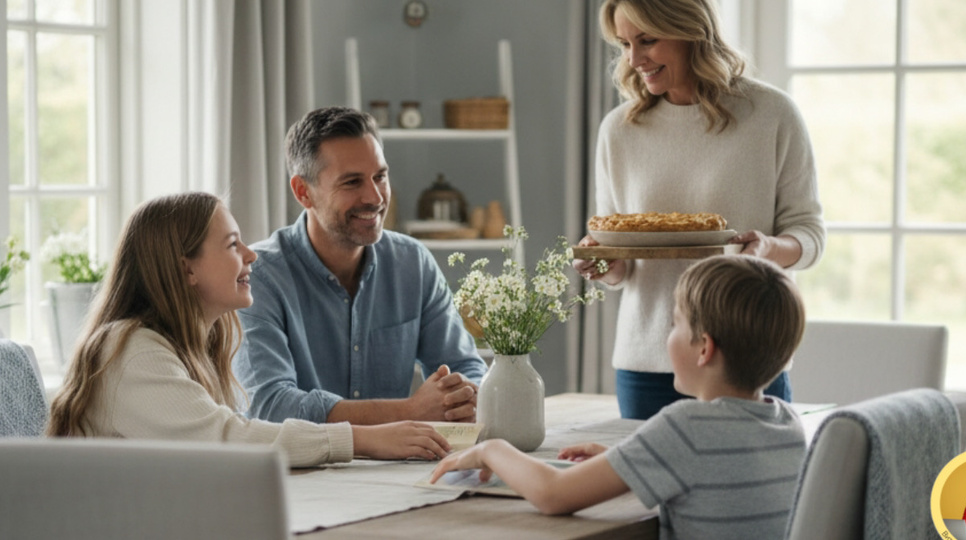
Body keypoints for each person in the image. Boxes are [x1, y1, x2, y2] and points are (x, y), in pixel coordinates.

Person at [47, 193, 452, 467]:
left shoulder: (198, 345)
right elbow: (227, 441)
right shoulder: (131, 351)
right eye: (232, 245)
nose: (251, 254)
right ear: (186, 267)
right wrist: (364, 439)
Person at [431, 255, 807, 539]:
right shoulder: (786, 421)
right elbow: (713, 465)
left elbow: (553, 494)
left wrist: (491, 449)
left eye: (675, 323)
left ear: (704, 348)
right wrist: (626, 457)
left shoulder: (687, 426)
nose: (667, 334)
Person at [572, 0, 825, 419]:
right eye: (625, 44)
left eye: (648, 40)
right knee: (641, 488)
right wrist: (604, 265)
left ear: (691, 31)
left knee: (752, 484)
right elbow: (619, 260)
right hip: (647, 363)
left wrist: (766, 251)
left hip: (747, 361)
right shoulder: (618, 131)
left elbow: (810, 235)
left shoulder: (773, 115)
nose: (635, 59)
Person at [233, 107, 486, 428]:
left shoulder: (413, 263)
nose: (375, 196)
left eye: (380, 176)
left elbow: (464, 366)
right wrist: (408, 411)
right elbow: (269, 406)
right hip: (302, 474)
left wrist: (463, 397)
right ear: (303, 192)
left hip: (400, 467)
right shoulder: (258, 276)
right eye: (352, 182)